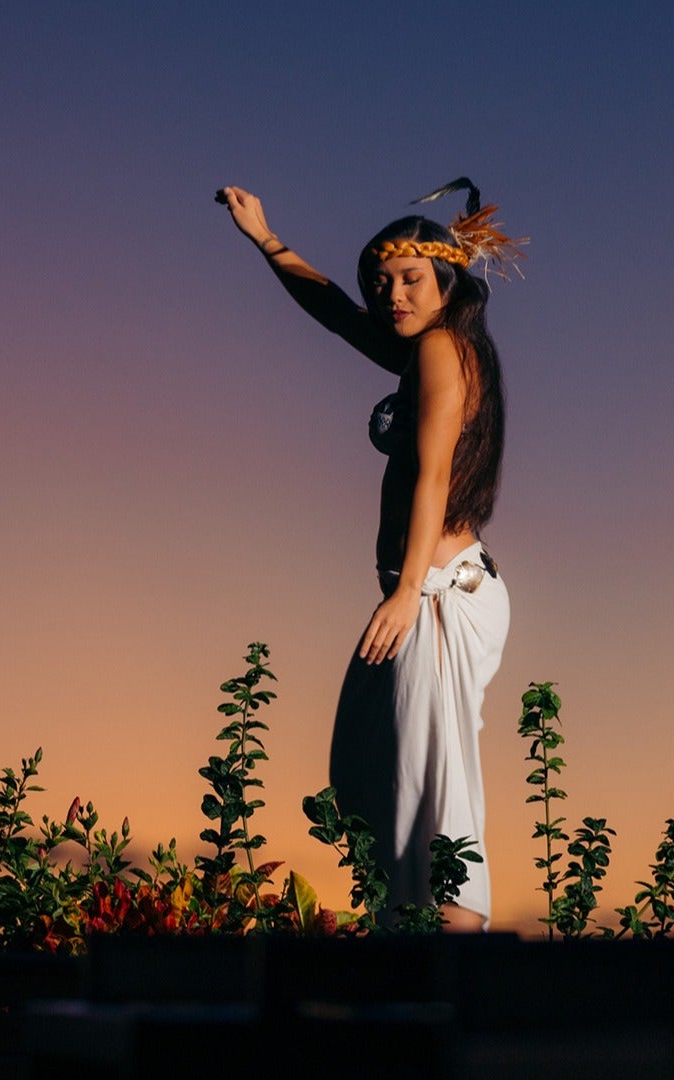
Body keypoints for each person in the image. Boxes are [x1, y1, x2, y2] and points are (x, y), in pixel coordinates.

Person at [218, 179, 522, 931]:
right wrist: (266, 239)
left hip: (439, 590)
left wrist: (408, 590)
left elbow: (433, 476)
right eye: (382, 283)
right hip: (429, 584)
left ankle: (451, 968)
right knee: (371, 779)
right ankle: (410, 947)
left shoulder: (446, 351)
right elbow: (332, 312)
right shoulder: (425, 350)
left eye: (411, 280)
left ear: (447, 280)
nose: (393, 296)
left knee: (434, 799)